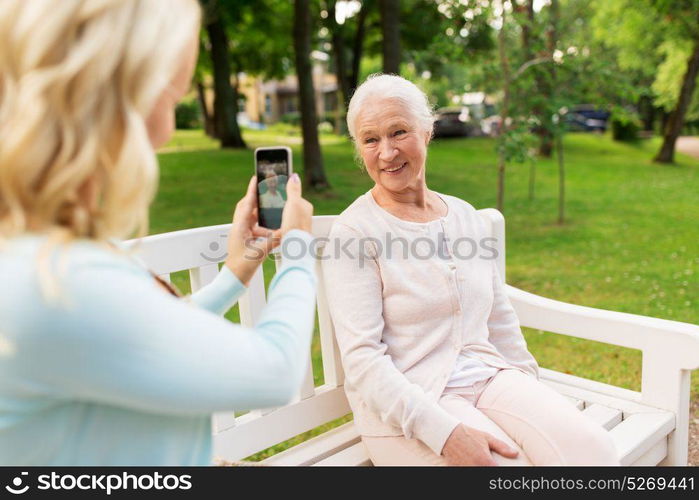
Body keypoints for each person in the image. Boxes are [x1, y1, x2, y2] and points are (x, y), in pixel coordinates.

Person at [0, 0, 315, 466]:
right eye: (173, 99)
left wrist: (235, 273)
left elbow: (134, 331)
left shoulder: (38, 247)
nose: (168, 129)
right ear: (124, 99)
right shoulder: (61, 281)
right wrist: (299, 248)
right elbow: (277, 370)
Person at [322, 74, 619, 466]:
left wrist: (530, 390)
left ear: (427, 131)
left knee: (593, 450)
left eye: (399, 132)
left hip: (486, 375)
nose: (388, 152)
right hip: (408, 406)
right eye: (371, 139)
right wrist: (445, 435)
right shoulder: (355, 232)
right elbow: (363, 362)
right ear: (359, 149)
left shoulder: (464, 216)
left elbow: (498, 317)